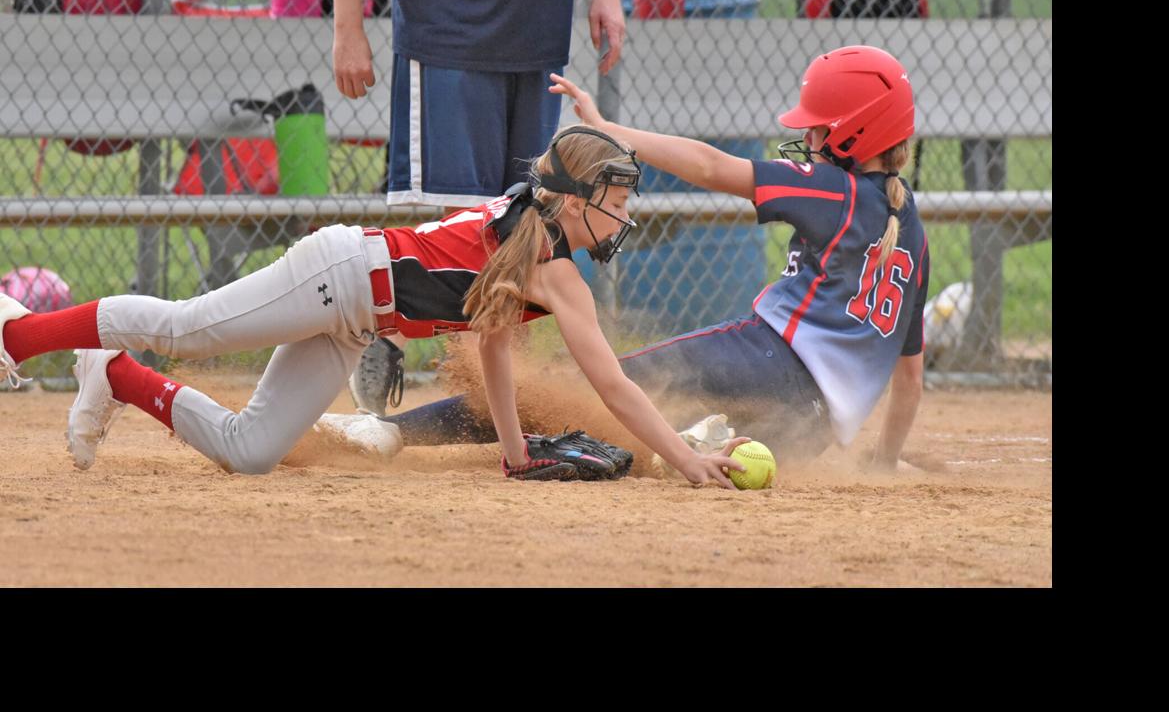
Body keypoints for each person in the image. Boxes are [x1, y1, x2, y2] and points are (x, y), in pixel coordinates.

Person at [0, 126, 749, 487]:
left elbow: (491, 343)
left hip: (356, 319)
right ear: (578, 202)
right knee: (187, 329)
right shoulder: (555, 270)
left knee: (251, 452)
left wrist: (516, 454)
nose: (622, 219)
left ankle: (118, 376)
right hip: (340, 274)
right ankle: (20, 333)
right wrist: (683, 460)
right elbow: (613, 384)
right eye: (615, 204)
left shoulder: (538, 247)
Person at [315, 45, 931, 473]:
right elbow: (909, 379)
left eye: (821, 130)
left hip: (766, 359)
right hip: (813, 429)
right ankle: (691, 442)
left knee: (586, 390)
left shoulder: (837, 190)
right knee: (640, 449)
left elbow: (716, 168)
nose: (812, 140)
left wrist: (614, 130)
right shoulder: (915, 233)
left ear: (857, 134)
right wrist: (883, 458)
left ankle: (392, 432)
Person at [329, 0, 629, 414]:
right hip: (448, 26)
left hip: (538, 31)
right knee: (470, 227)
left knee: (531, 223)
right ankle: (398, 340)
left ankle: (504, 403)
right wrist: (347, 26)